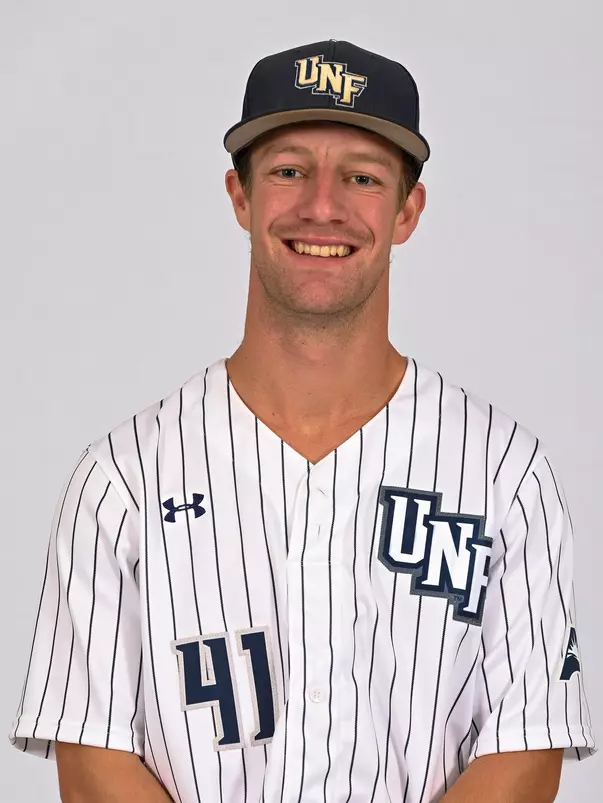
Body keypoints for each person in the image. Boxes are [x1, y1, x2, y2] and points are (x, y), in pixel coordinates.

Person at [9, 39, 596, 803]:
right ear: (240, 196)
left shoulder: (504, 475)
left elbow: (525, 749)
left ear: (407, 209)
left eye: (361, 177)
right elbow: (92, 762)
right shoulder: (120, 480)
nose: (323, 205)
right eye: (288, 170)